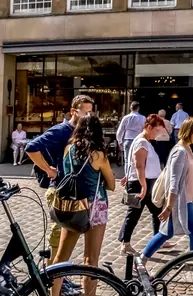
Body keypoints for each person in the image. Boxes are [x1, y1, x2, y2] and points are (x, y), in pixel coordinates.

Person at [26, 94, 95, 265]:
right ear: (73, 111)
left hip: (75, 192)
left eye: (91, 113)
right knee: (57, 239)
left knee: (66, 239)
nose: (89, 117)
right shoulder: (60, 131)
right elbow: (31, 148)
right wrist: (48, 169)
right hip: (60, 189)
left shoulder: (82, 132)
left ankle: (59, 277)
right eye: (85, 112)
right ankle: (52, 278)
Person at [52, 112, 116, 291]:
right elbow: (111, 185)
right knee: (91, 261)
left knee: (60, 259)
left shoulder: (68, 149)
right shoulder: (98, 155)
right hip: (95, 206)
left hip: (72, 205)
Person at [144, 118, 193, 263]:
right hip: (180, 201)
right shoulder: (179, 152)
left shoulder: (187, 149)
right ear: (190, 133)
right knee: (183, 233)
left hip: (186, 200)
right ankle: (142, 260)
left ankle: (142, 259)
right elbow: (174, 182)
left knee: (176, 233)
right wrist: (168, 207)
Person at [121, 114, 169, 243]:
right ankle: (125, 243)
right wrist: (143, 185)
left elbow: (136, 162)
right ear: (148, 127)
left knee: (157, 211)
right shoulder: (142, 141)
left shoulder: (144, 140)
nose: (158, 134)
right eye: (156, 130)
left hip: (146, 182)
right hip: (141, 183)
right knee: (133, 214)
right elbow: (139, 165)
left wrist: (128, 174)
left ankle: (159, 239)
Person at [114, 102, 144, 167]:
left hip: (127, 139)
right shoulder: (143, 118)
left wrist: (119, 141)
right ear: (138, 108)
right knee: (138, 160)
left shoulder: (126, 117)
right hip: (138, 140)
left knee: (127, 160)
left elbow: (120, 130)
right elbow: (144, 130)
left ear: (130, 108)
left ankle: (127, 176)